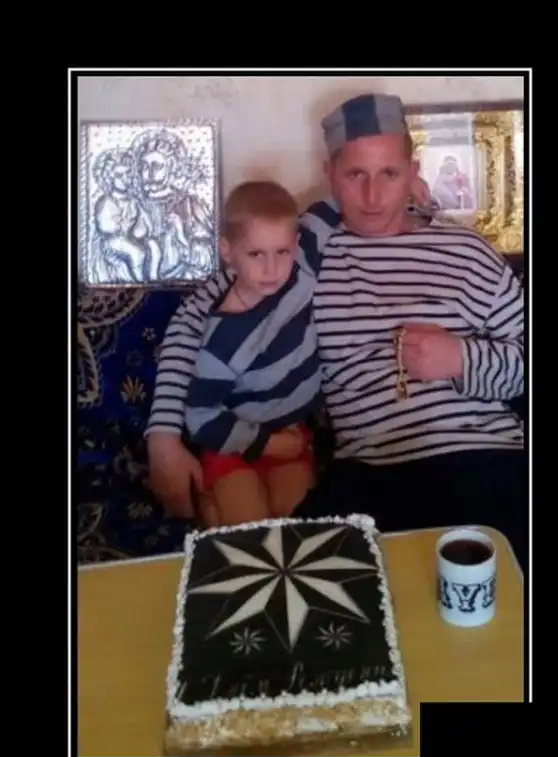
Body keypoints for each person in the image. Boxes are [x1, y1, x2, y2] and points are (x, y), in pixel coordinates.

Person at [146, 92, 525, 569]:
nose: (373, 196)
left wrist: (462, 359)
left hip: (486, 455)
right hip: (370, 471)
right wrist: (163, 438)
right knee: (315, 583)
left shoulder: (468, 251)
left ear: (412, 171)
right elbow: (191, 321)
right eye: (355, 175)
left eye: (389, 174)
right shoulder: (300, 253)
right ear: (329, 174)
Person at [183, 180, 322, 525]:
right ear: (227, 252)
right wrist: (269, 444)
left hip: (291, 434)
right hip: (233, 443)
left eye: (282, 252)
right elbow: (200, 417)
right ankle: (213, 508)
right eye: (256, 254)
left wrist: (412, 183)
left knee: (296, 522)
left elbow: (340, 202)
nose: (272, 269)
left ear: (296, 245)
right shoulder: (224, 339)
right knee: (251, 528)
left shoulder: (303, 268)